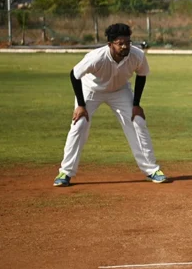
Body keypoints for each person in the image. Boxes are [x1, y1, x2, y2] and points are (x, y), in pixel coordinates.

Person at [53, 23, 167, 187]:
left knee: (138, 122)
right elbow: (75, 74)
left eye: (127, 42)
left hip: (120, 91)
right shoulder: (97, 57)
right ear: (110, 44)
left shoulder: (137, 55)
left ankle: (152, 170)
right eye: (120, 43)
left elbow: (141, 75)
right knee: (79, 124)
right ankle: (65, 172)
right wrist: (80, 105)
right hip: (91, 90)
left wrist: (136, 105)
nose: (125, 46)